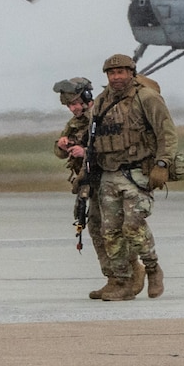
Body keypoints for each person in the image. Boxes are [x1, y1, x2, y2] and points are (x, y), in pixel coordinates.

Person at [84, 53, 179, 301]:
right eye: (112, 73)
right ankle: (123, 282)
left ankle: (152, 267)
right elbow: (93, 139)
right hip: (109, 173)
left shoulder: (147, 98)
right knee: (110, 232)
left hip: (137, 172)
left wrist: (162, 163)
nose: (116, 77)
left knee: (133, 226)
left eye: (121, 72)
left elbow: (167, 134)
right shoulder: (102, 102)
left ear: (131, 73)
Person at [54, 76, 145, 300]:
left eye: (76, 103)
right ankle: (113, 278)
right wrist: (63, 146)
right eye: (69, 105)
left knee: (113, 229)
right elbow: (60, 150)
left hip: (111, 179)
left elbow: (115, 147)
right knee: (96, 228)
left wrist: (86, 153)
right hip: (91, 182)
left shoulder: (104, 116)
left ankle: (132, 270)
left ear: (87, 97)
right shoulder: (76, 122)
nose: (73, 108)